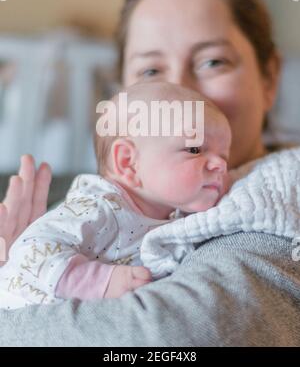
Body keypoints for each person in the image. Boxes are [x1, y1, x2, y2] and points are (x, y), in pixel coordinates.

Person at [1, 0, 300, 347]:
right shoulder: (99, 201)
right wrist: (11, 273)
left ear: (269, 77)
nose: (179, 89)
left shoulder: (274, 200)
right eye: (151, 70)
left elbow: (164, 337)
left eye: (213, 62)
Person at [0, 82, 231, 308]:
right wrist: (102, 280)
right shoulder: (99, 207)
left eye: (225, 156)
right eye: (195, 149)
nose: (220, 164)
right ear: (128, 162)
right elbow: (30, 251)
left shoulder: (178, 217)